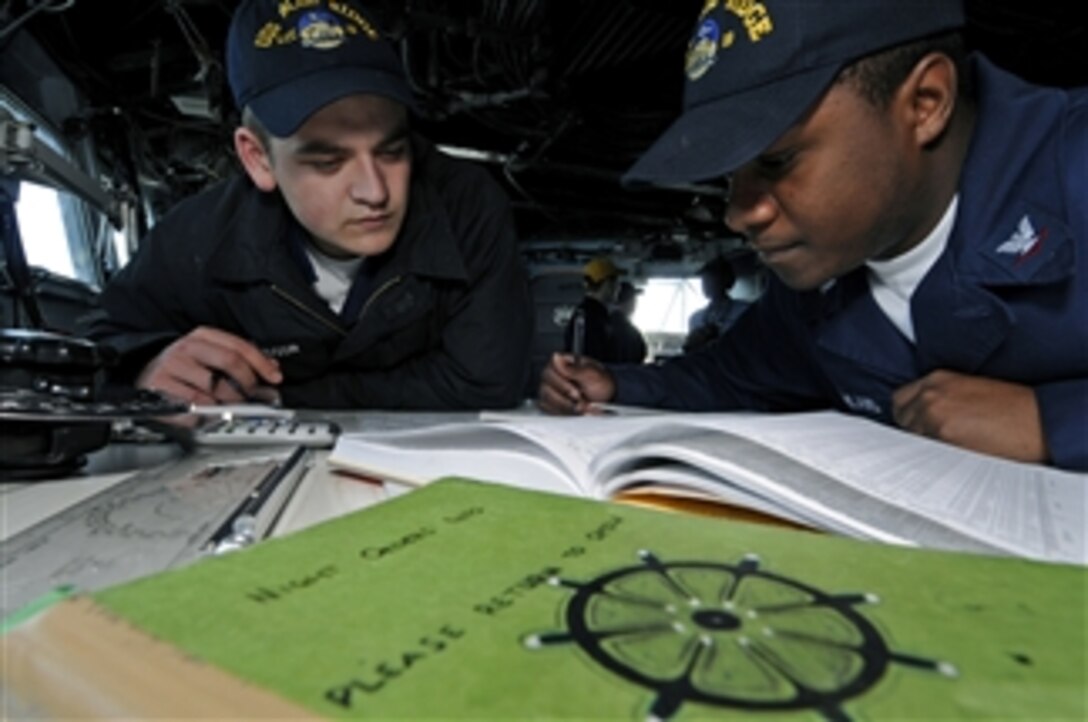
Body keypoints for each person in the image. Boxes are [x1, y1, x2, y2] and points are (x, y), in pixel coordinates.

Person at [539, 0, 1088, 471]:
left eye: (776, 161)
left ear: (926, 103)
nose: (737, 214)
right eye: (732, 176)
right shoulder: (819, 288)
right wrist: (619, 387)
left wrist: (1051, 423)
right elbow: (734, 377)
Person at [81, 0, 532, 410]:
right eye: (329, 161)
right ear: (258, 159)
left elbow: (488, 383)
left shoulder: (466, 205)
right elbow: (92, 347)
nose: (375, 192)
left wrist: (282, 394)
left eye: (392, 151)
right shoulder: (194, 239)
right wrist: (142, 367)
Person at [563, 257, 628, 363]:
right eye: (616, 282)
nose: (618, 287)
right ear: (607, 284)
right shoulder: (592, 317)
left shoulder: (589, 313)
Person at [683, 256, 749, 353]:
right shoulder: (696, 318)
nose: (705, 283)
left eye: (711, 278)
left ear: (726, 280)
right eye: (704, 279)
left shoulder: (744, 311)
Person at [611, 281, 649, 363]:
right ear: (630, 302)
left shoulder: (604, 323)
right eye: (634, 300)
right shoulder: (631, 333)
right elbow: (641, 354)